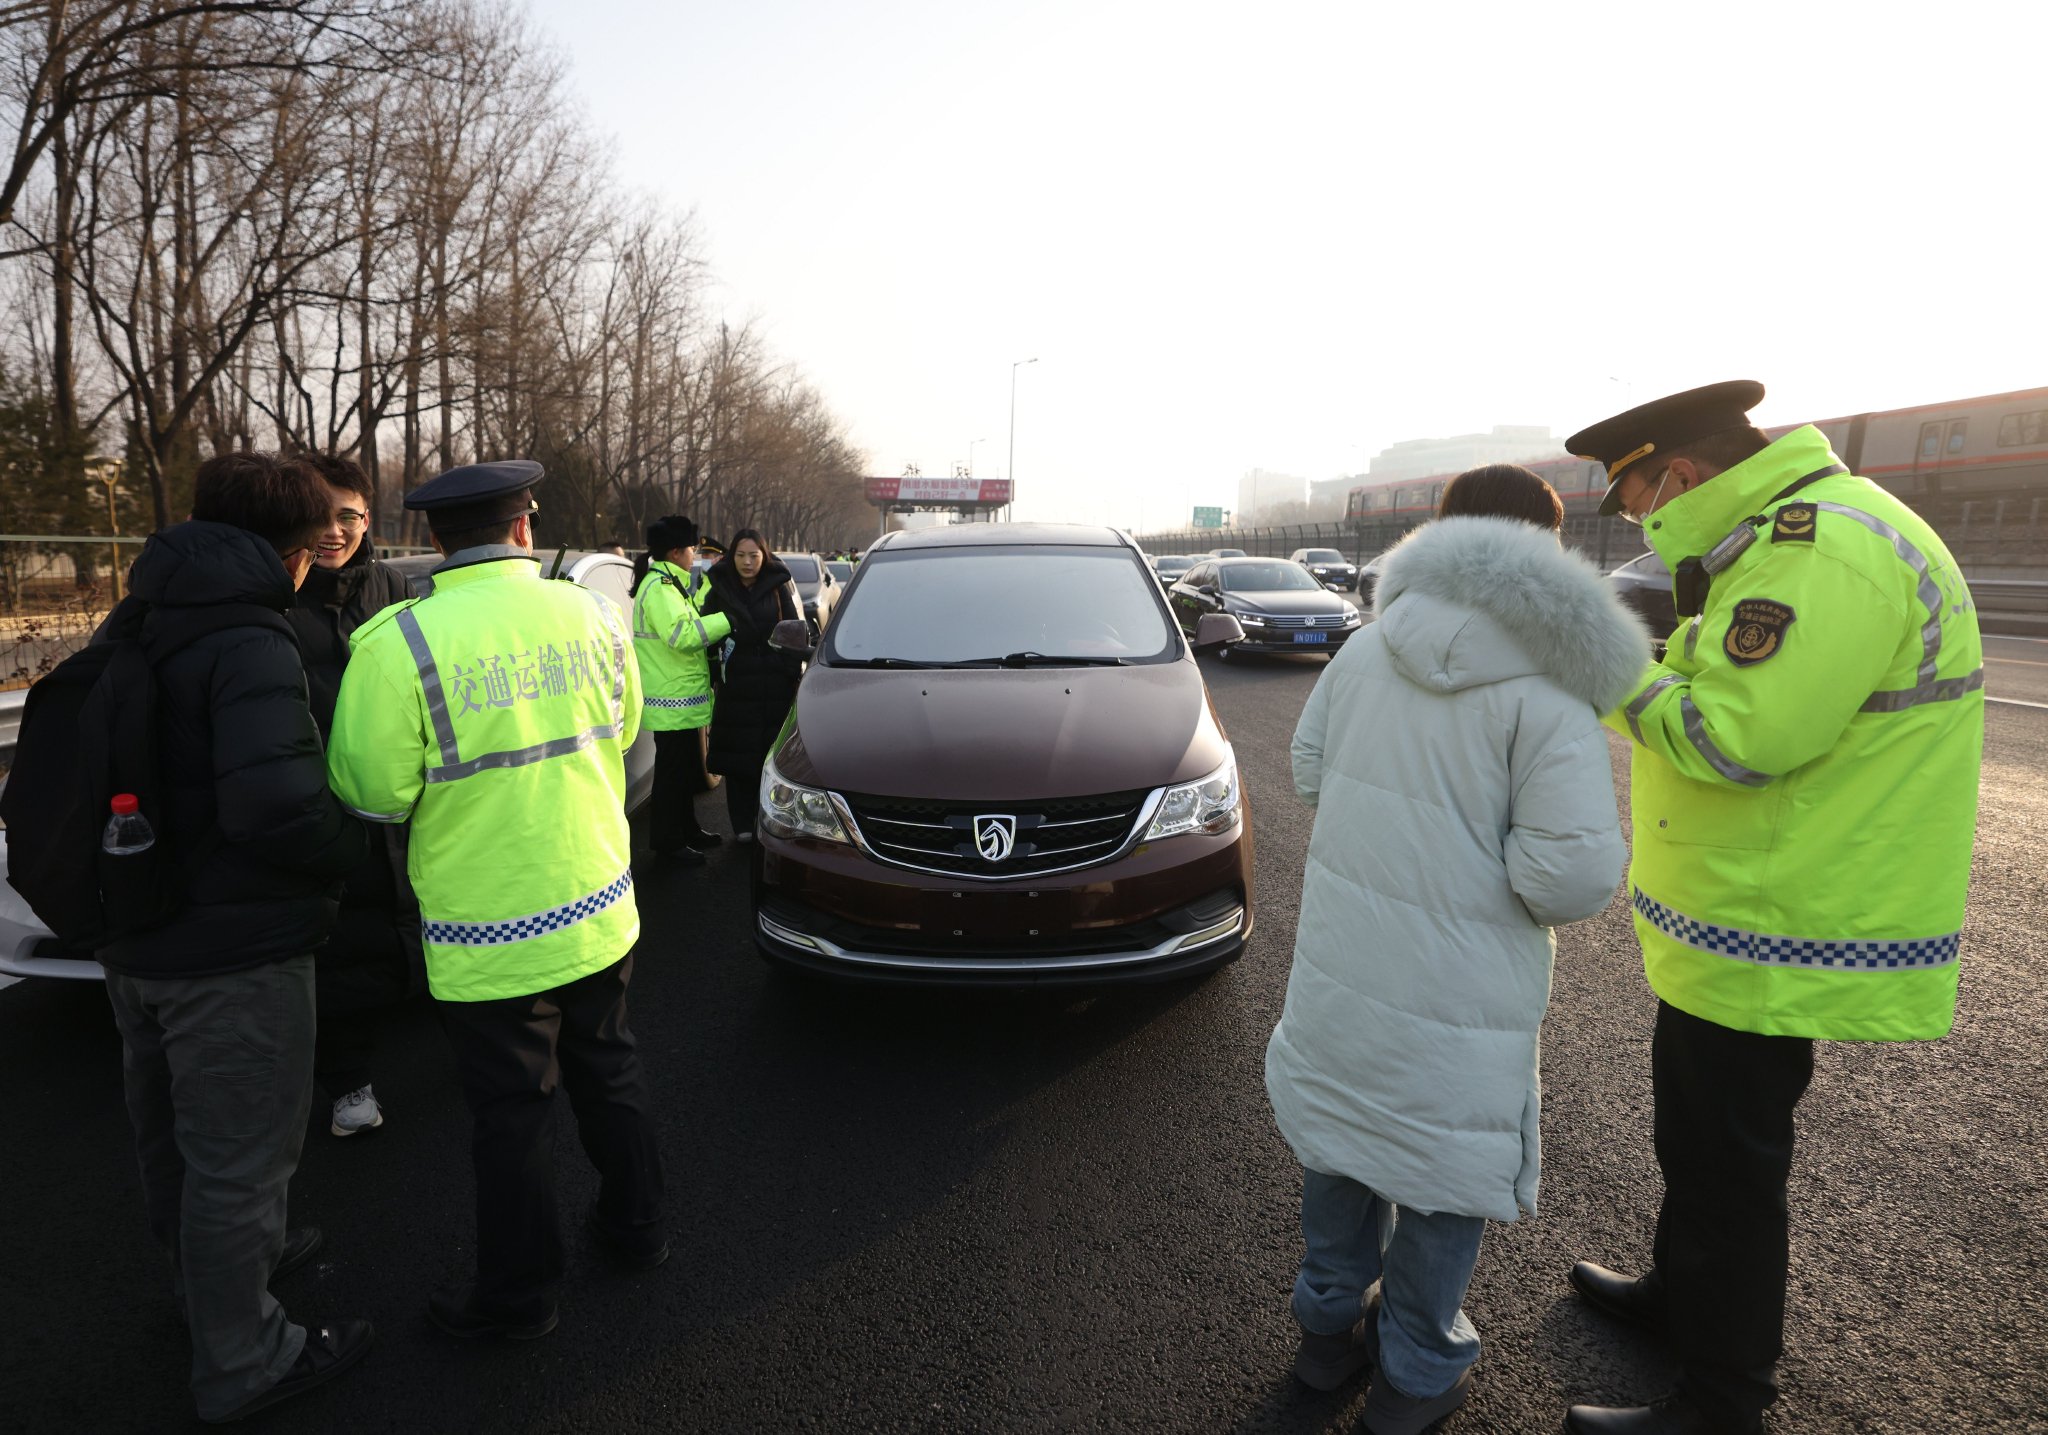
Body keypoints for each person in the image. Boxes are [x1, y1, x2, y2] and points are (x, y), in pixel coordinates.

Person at [1559, 382, 1985, 1435]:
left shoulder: (1819, 553)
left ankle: (1719, 1402)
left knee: (1725, 1172)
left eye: (1641, 498)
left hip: (1779, 919)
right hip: (1752, 908)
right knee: (1695, 1144)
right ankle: (1678, 1301)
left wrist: (1609, 668)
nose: (1646, 524)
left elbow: (1728, 737)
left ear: (1683, 475)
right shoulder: (1786, 539)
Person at [1266, 465, 1646, 1435]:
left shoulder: (1364, 648)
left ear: (1440, 537)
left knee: (1341, 1150)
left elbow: (1308, 773)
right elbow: (1563, 878)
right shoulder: (1548, 683)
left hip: (1345, 973)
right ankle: (1413, 1376)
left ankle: (1322, 1341)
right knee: (1438, 1180)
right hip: (1461, 993)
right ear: (1541, 550)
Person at [327, 459, 667, 1341]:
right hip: (600, 907)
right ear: (526, 529)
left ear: (435, 542)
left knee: (514, 1119)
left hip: (488, 939)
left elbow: (374, 795)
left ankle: (519, 1297)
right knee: (613, 1072)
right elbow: (628, 733)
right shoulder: (595, 613)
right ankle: (638, 1232)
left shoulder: (397, 643)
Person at [98, 451, 374, 1423]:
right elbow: (279, 807)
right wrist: (354, 846)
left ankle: (206, 1293)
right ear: (289, 551)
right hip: (233, 952)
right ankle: (244, 1355)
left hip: (139, 932)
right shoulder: (251, 636)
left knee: (173, 1141)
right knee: (240, 1161)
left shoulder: (144, 611)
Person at [283, 452, 421, 1139]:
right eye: (320, 515)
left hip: (400, 790)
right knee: (341, 940)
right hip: (323, 796)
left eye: (349, 515)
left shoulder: (393, 585)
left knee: (414, 914)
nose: (334, 531)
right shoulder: (277, 597)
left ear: (369, 519)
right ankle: (348, 1082)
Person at [629, 513, 731, 862]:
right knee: (671, 778)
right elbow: (683, 636)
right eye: (692, 547)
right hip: (670, 701)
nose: (695, 554)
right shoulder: (658, 588)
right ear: (675, 552)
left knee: (684, 772)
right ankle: (668, 843)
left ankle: (687, 830)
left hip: (681, 700)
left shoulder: (671, 584)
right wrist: (727, 621)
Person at [701, 528, 802, 843]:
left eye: (754, 555)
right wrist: (715, 672)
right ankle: (742, 825)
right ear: (732, 557)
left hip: (774, 683)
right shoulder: (719, 586)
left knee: (769, 756)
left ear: (764, 556)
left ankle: (771, 820)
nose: (747, 562)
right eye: (741, 555)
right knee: (737, 758)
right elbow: (706, 632)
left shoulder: (777, 585)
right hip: (737, 684)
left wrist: (791, 673)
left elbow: (795, 630)